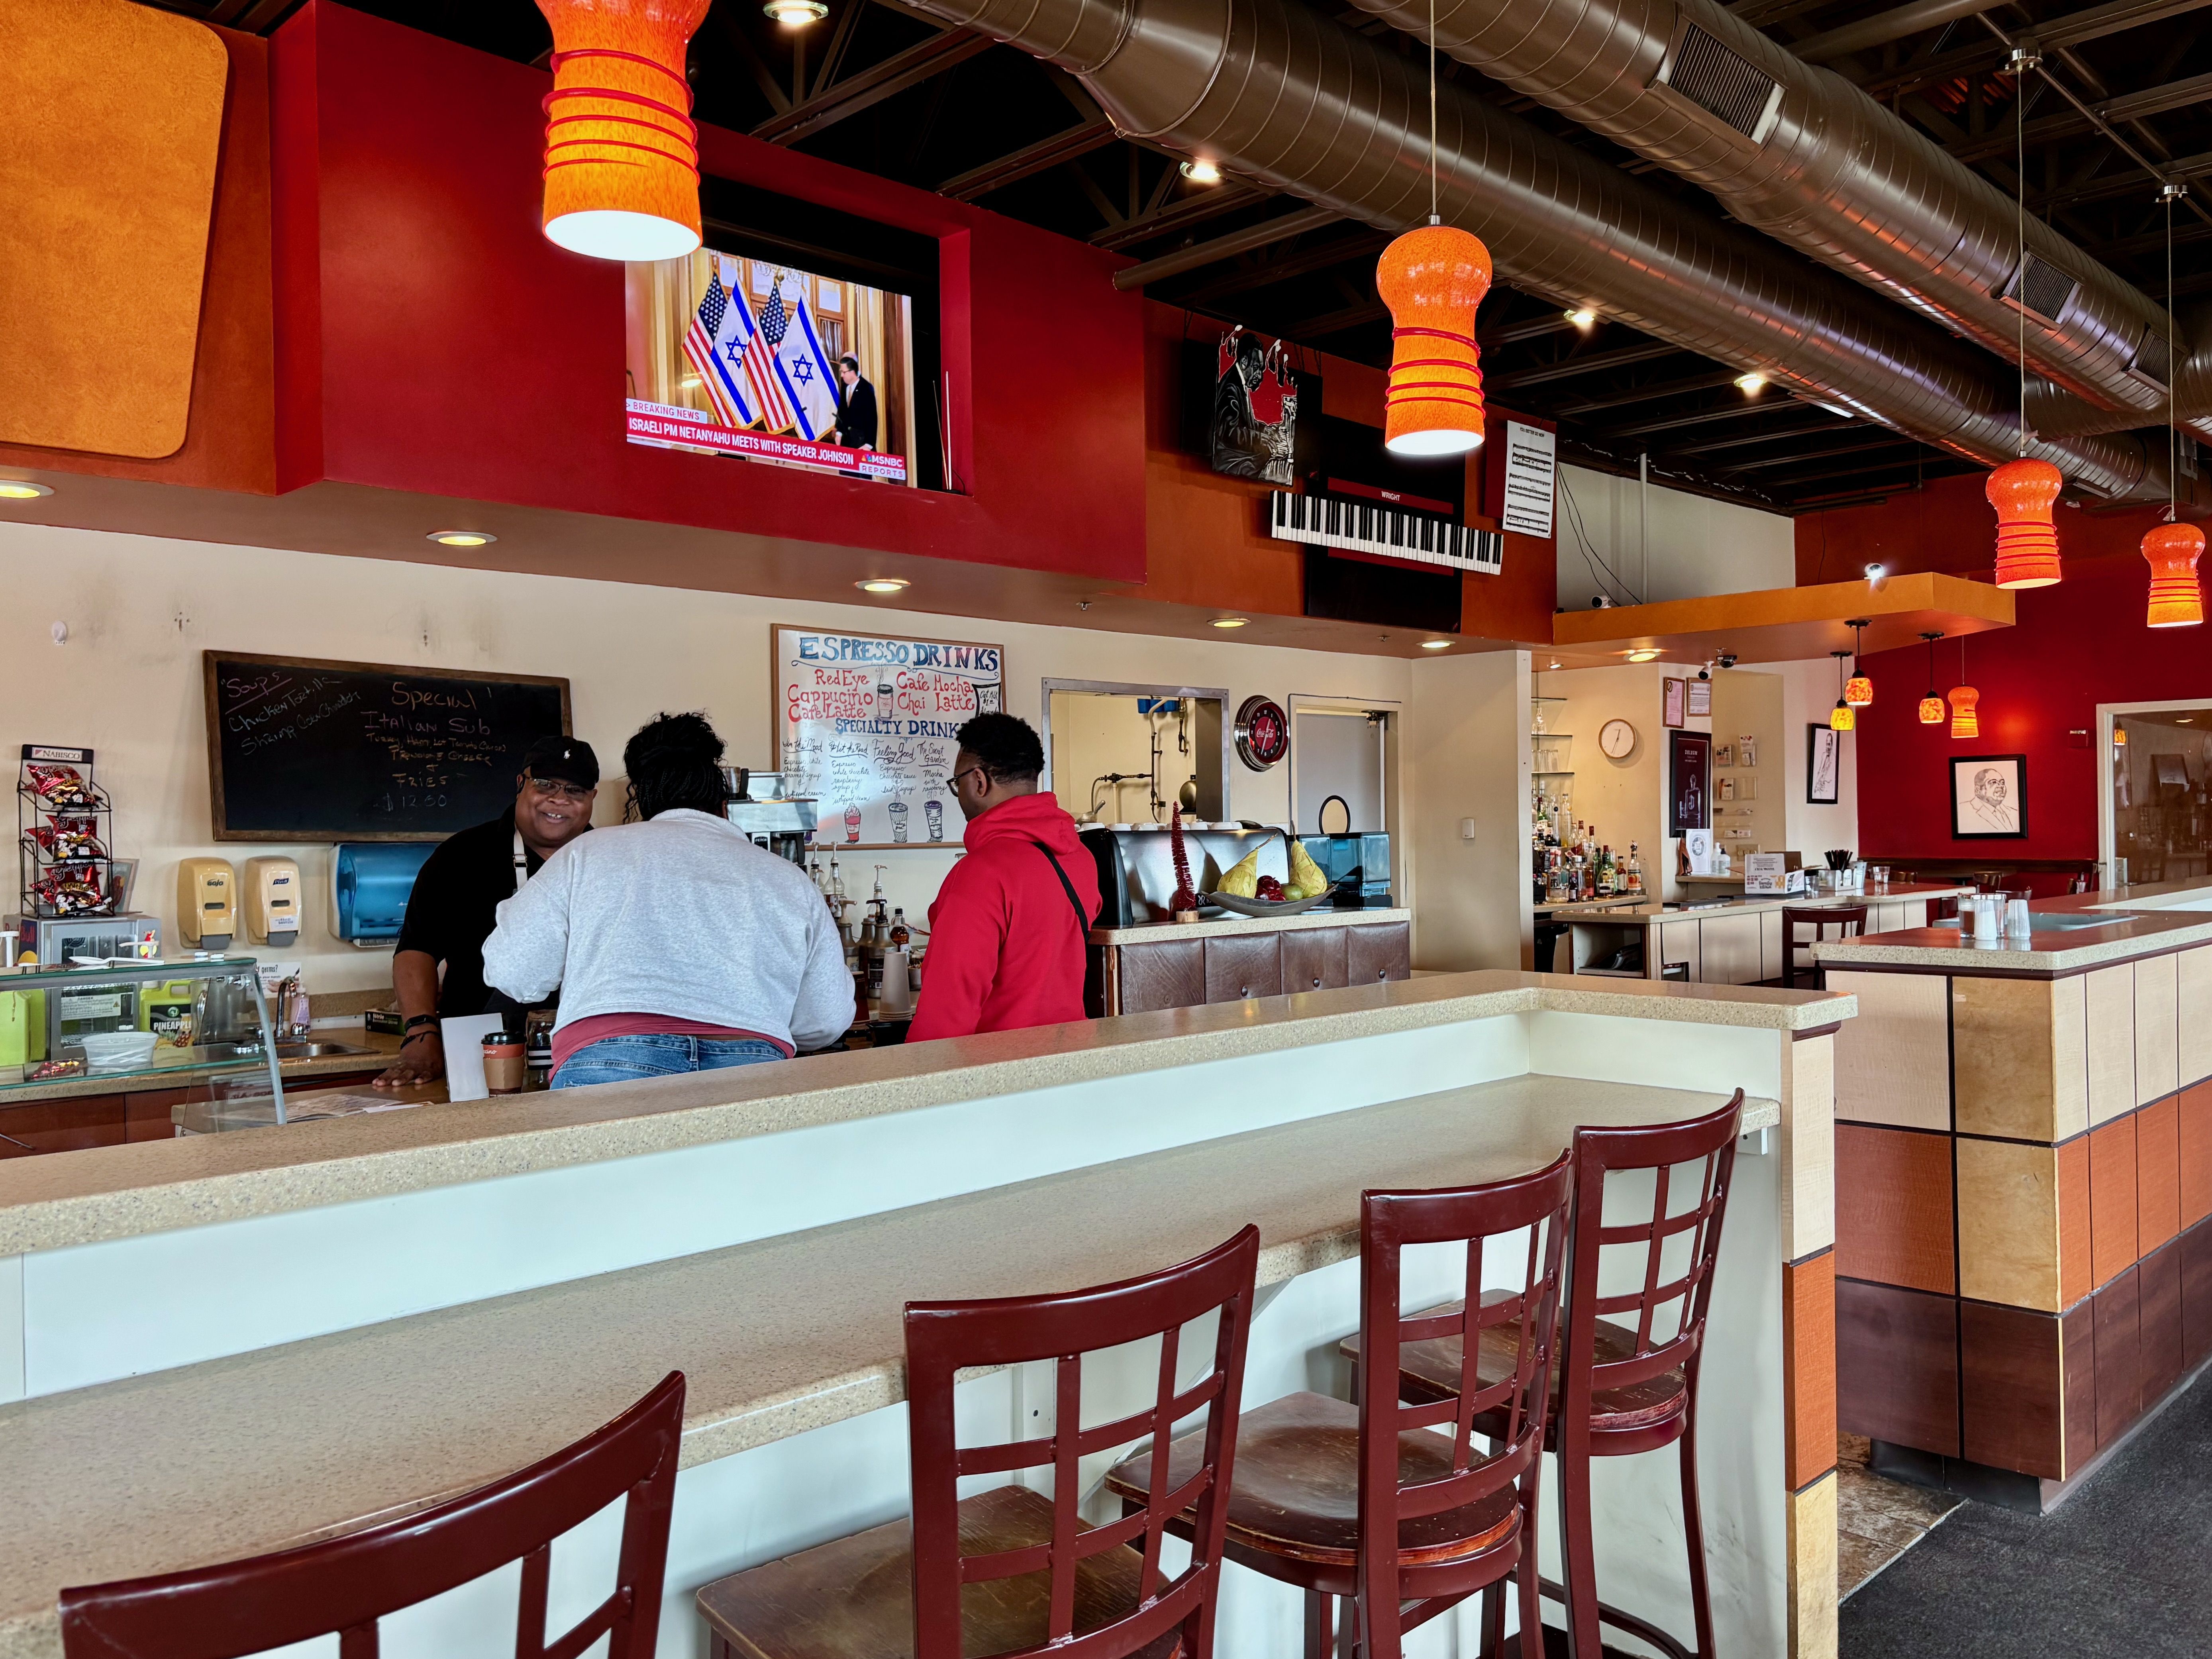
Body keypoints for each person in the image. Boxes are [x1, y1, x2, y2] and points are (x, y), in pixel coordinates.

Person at [481, 711, 852, 1087]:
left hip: (610, 1062)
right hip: (753, 1066)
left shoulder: (587, 853)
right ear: (723, 802)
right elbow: (826, 1020)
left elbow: (514, 970)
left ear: (643, 799)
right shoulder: (788, 879)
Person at [374, 735, 598, 1089]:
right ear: (520, 784)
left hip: (589, 1053)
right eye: (545, 785)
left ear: (592, 800)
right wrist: (420, 1033)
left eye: (575, 790)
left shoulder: (611, 864)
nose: (559, 799)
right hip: (476, 1052)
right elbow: (418, 948)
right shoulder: (461, 855)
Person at [906, 712, 1100, 1043]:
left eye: (958, 784)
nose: (959, 795)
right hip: (1071, 1062)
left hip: (1000, 1074)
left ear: (979, 781)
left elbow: (947, 1012)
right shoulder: (1081, 858)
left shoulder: (981, 874)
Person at [832, 354, 878, 451]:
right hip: (847, 442)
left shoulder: (866, 388)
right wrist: (839, 432)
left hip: (862, 443)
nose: (842, 375)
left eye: (844, 372)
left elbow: (872, 418)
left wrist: (869, 444)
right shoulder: (845, 386)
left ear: (852, 372)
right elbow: (843, 411)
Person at [1965, 766, 2018, 833]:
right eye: (1994, 782)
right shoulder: (1964, 812)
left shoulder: (2015, 813)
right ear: (1978, 789)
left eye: (2002, 782)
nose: (2001, 786)